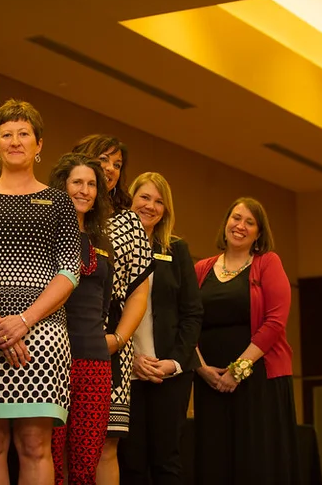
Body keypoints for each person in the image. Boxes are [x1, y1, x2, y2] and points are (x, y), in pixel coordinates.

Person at [0, 100, 81, 485]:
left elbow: (69, 272)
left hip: (43, 335)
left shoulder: (59, 202)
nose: (15, 141)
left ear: (39, 146)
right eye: (6, 135)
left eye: (24, 134)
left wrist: (24, 321)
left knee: (35, 445)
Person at [193, 197, 298, 484]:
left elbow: (275, 322)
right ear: (225, 223)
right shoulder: (201, 269)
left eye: (249, 222)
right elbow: (187, 323)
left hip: (258, 381)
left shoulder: (267, 263)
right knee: (214, 462)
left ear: (258, 233)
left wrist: (237, 371)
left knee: (256, 464)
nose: (240, 226)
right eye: (236, 218)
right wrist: (202, 369)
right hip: (210, 382)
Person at [72, 135, 154, 485]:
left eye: (117, 164)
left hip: (109, 344)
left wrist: (119, 339)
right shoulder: (63, 207)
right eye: (103, 159)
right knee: (57, 438)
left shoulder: (129, 222)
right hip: (61, 337)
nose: (109, 169)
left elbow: (139, 293)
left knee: (105, 445)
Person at [119, 172, 203, 484]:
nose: (151, 206)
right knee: (132, 461)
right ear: (130, 198)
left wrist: (173, 363)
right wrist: (134, 359)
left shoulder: (176, 249)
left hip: (171, 373)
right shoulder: (113, 246)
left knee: (167, 461)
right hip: (128, 370)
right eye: (145, 197)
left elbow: (192, 313)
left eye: (159, 201)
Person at [48, 154, 114, 485]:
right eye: (77, 182)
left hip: (95, 361)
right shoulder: (44, 235)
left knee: (86, 461)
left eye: (91, 184)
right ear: (62, 186)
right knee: (50, 454)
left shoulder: (103, 242)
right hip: (52, 357)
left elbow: (104, 305)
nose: (84, 190)